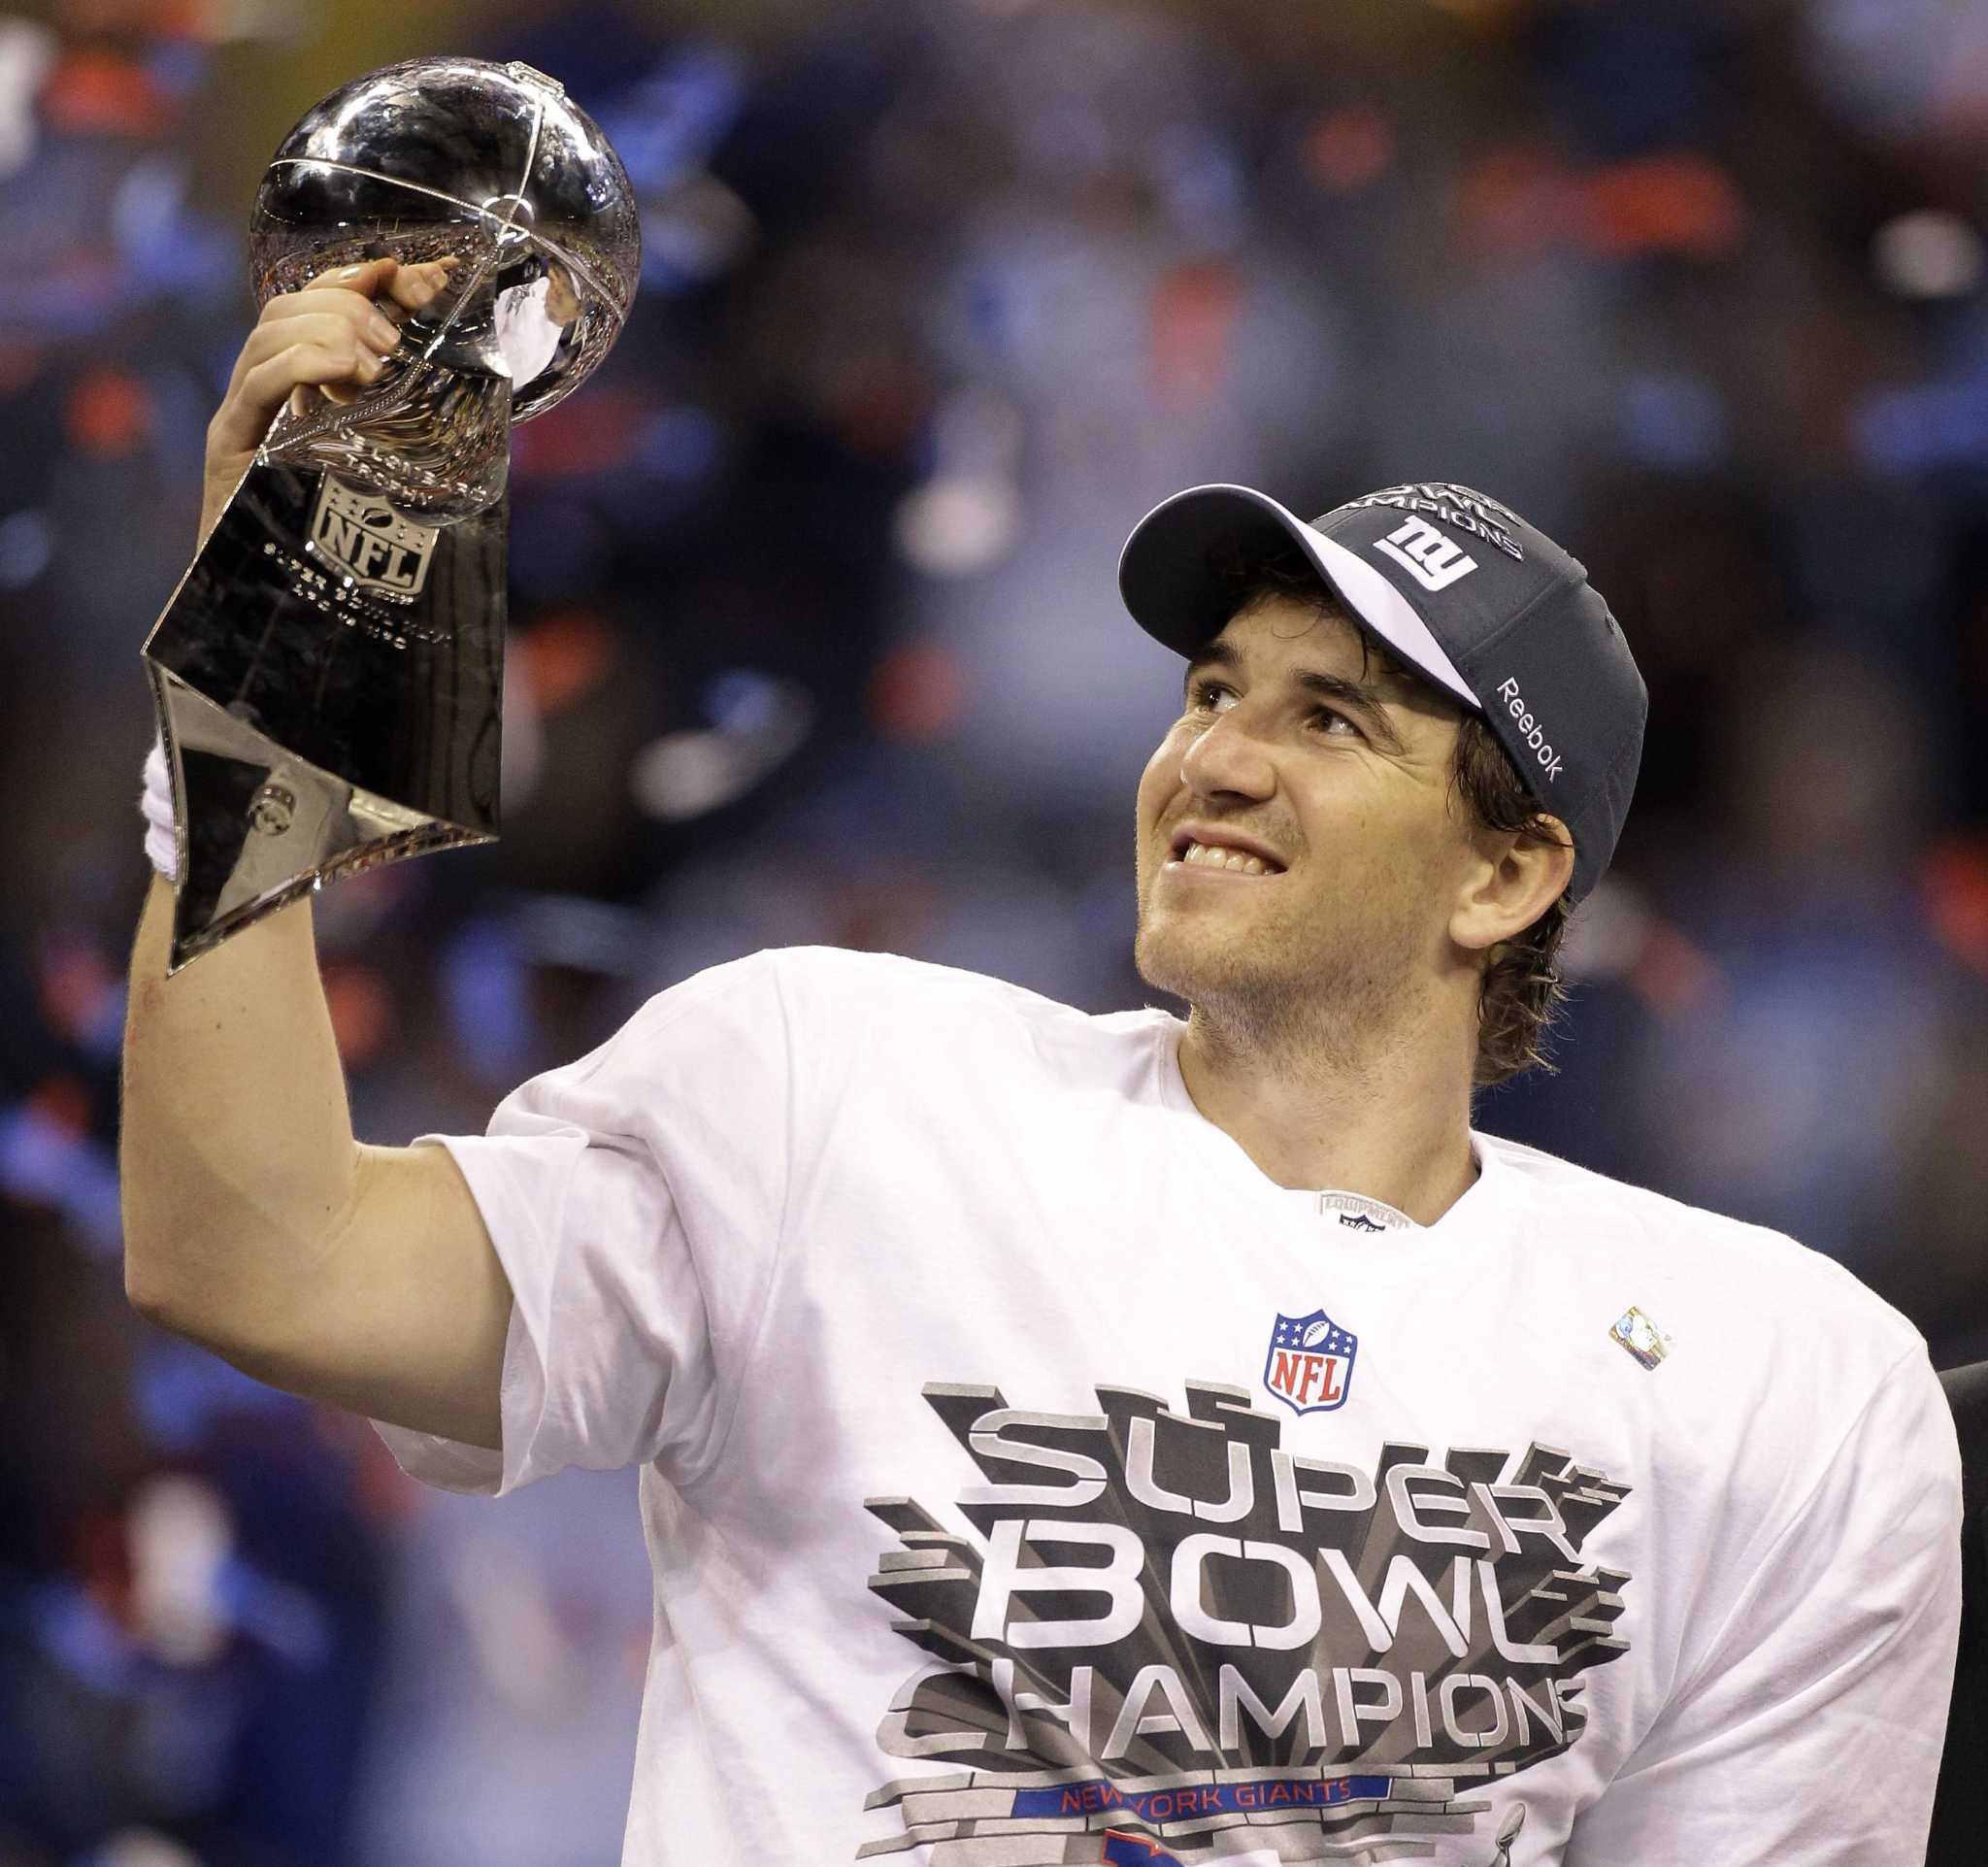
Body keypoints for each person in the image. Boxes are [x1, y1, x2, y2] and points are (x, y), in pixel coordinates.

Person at [122, 261, 1962, 1867]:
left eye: (1330, 720)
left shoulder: (1778, 1389)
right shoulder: (832, 1093)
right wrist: (270, 682)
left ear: (1509, 873)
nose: (1220, 757)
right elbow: (262, 1253)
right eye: (1214, 692)